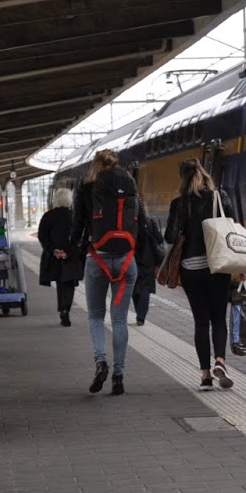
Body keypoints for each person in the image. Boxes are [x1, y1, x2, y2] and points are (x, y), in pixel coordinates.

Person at [70, 149, 142, 396]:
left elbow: (77, 228)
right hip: (126, 262)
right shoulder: (130, 185)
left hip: (97, 260)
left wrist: (75, 249)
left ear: (95, 165)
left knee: (95, 316)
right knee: (119, 320)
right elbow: (141, 223)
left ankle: (101, 363)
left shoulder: (86, 189)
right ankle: (118, 376)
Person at [165, 159, 237, 390]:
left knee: (201, 322)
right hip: (218, 264)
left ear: (182, 179)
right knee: (219, 318)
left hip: (191, 267)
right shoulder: (219, 197)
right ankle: (220, 361)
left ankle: (205, 377)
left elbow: (169, 236)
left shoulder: (179, 204)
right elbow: (234, 227)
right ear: (204, 174)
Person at [37, 189, 81, 327]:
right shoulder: (75, 216)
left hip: (53, 258)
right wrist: (68, 252)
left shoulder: (48, 216)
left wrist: (53, 250)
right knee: (69, 283)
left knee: (60, 283)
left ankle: (62, 309)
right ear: (70, 200)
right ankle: (66, 309)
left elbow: (42, 236)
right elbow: (79, 237)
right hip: (71, 257)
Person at [132, 209, 165, 327]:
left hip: (133, 259)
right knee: (145, 288)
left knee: (134, 287)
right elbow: (160, 239)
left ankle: (138, 312)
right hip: (149, 261)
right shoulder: (150, 222)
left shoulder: (130, 223)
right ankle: (141, 316)